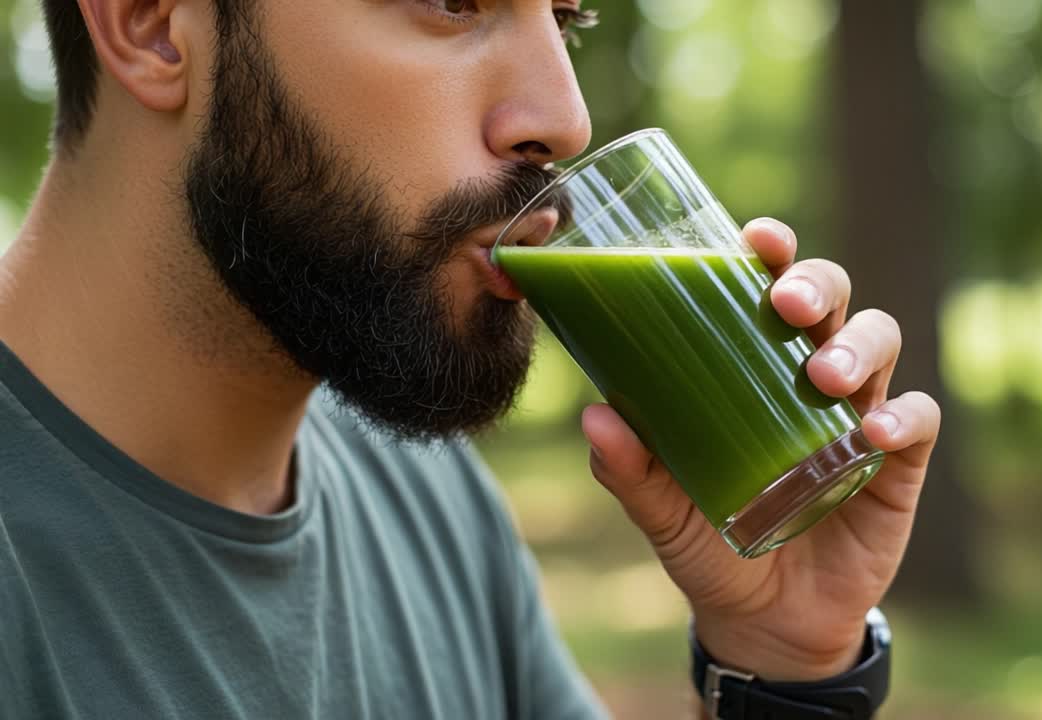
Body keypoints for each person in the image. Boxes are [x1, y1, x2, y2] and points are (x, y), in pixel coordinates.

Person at [0, 1, 941, 718]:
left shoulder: (429, 497)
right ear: (152, 25)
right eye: (454, 1)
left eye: (564, 19)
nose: (565, 120)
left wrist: (784, 663)